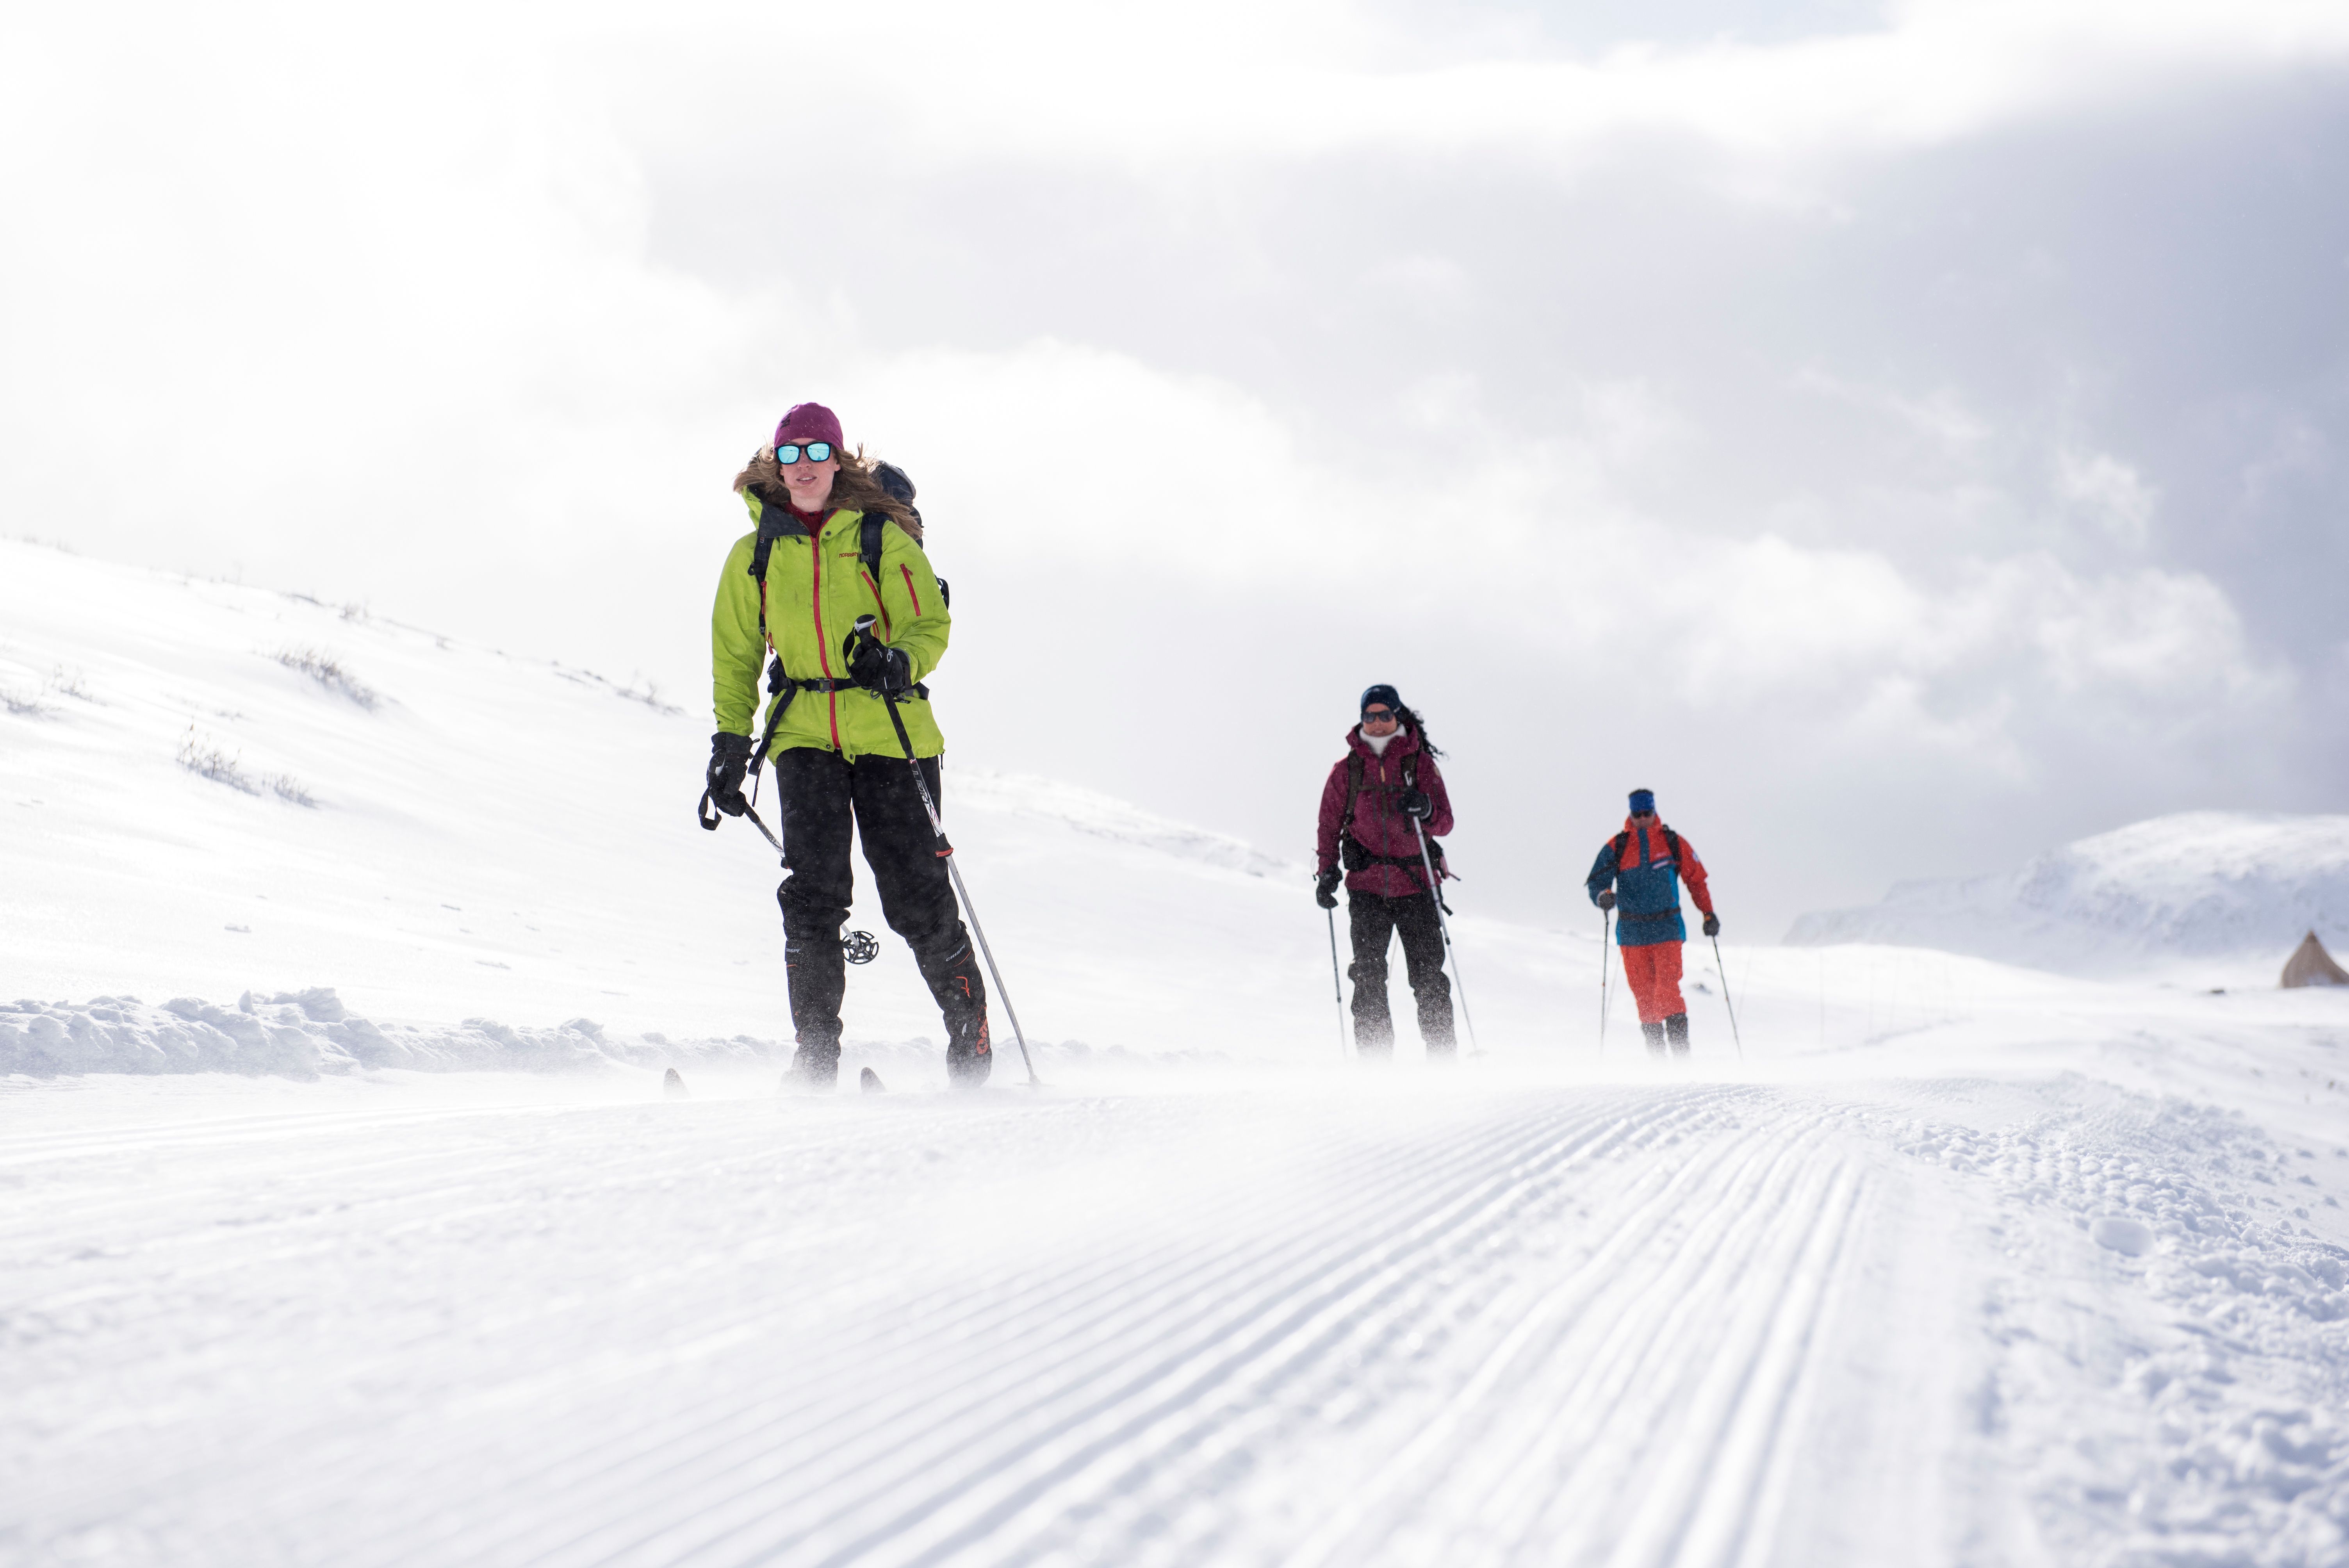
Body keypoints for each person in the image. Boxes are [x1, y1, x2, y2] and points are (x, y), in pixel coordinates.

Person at [703, 402, 990, 1090]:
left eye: (816, 453)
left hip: (892, 735)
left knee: (916, 899)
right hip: (803, 735)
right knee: (812, 897)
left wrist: (898, 661)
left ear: (838, 460)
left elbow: (929, 623)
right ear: (778, 465)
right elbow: (736, 657)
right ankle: (815, 1059)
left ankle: (969, 1041)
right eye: (791, 455)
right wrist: (729, 744)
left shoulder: (880, 539)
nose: (804, 468)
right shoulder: (755, 555)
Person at [1314, 685, 1456, 1058]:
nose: (1377, 724)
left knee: (1429, 980)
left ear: (1398, 717)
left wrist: (1425, 808)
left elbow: (1445, 822)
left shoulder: (1420, 765)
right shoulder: (1347, 771)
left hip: (1417, 886)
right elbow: (1328, 826)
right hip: (1367, 888)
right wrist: (1326, 871)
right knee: (1369, 978)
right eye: (1370, 716)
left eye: (1384, 716)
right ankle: (1375, 1066)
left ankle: (1444, 1061)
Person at [1586, 788, 1718, 1057]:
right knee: (1645, 999)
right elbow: (1597, 884)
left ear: (1655, 811)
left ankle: (1682, 1060)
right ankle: (1657, 1064)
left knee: (1668, 992)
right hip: (1632, 933)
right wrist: (1604, 897)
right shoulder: (1618, 846)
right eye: (1638, 814)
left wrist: (1708, 914)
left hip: (1667, 929)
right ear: (1631, 814)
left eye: (1648, 813)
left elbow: (1696, 880)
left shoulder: (1671, 842)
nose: (1644, 818)